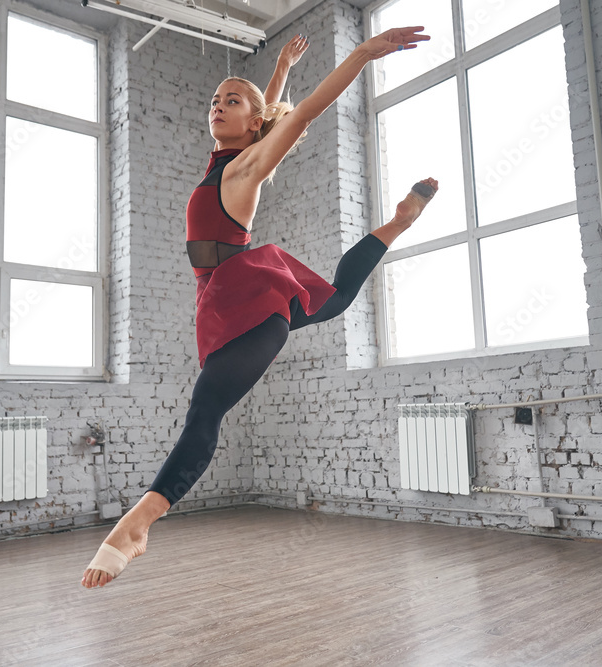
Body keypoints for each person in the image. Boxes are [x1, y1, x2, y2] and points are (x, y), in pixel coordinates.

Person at [83, 28, 437, 588]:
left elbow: (296, 118)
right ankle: (397, 224)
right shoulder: (222, 160)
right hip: (227, 296)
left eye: (230, 101)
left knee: (205, 411)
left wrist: (363, 55)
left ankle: (140, 522)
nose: (216, 107)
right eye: (213, 101)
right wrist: (277, 74)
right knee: (336, 300)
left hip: (244, 302)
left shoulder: (244, 170)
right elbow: (269, 114)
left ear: (249, 124)